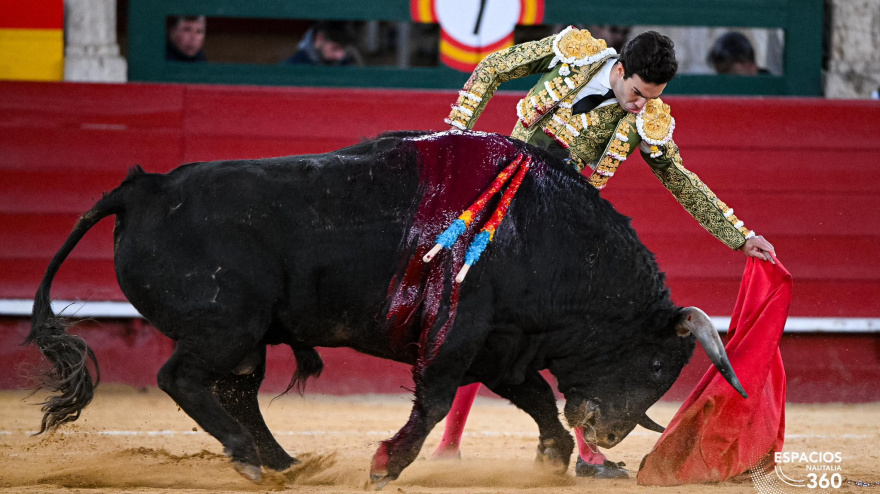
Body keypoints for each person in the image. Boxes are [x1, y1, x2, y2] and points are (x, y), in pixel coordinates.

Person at [442, 26, 776, 479]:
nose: (642, 105)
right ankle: (448, 445)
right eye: (637, 93)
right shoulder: (573, 55)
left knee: (569, 333)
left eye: (651, 97)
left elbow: (680, 179)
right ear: (619, 70)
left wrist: (740, 235)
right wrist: (456, 136)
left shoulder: (645, 117)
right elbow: (493, 67)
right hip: (505, 200)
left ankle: (587, 454)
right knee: (484, 319)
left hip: (562, 221)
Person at [281, 21, 357, 66]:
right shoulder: (292, 68)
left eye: (345, 48)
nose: (340, 56)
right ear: (319, 38)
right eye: (335, 48)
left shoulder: (348, 66)